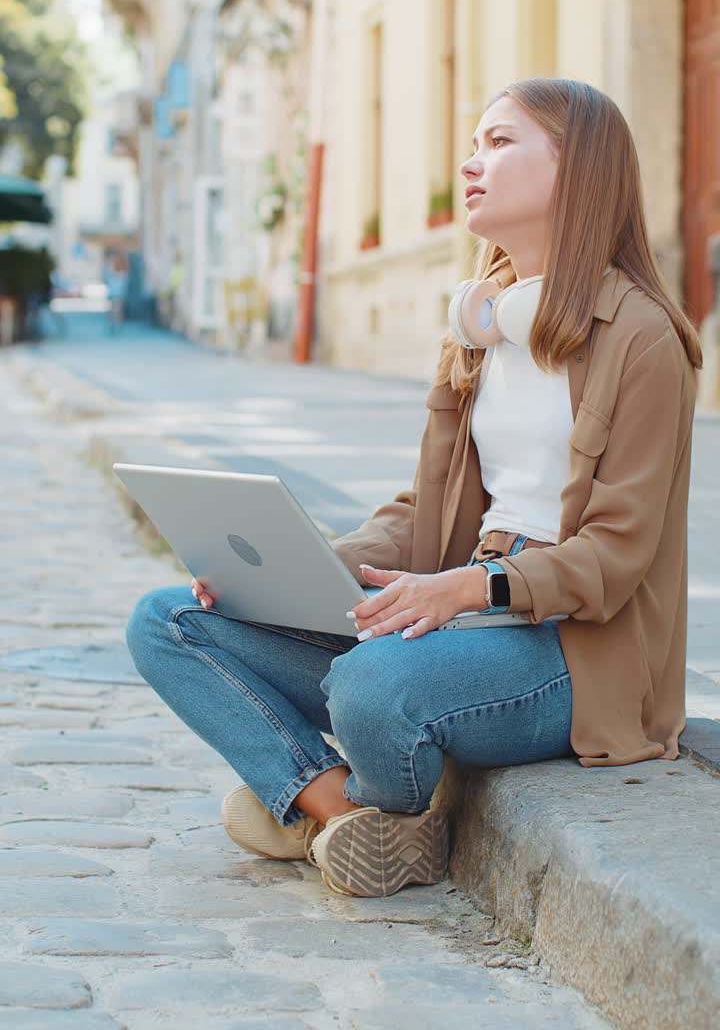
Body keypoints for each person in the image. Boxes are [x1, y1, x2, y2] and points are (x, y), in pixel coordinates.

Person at [126, 78, 702, 899]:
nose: (473, 163)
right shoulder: (480, 326)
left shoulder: (643, 336)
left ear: (579, 168)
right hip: (462, 606)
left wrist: (469, 587)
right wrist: (299, 573)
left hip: (575, 649)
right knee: (169, 622)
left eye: (501, 143)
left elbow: (616, 556)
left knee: (375, 682)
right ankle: (338, 811)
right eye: (475, 144)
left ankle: (314, 799)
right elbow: (424, 508)